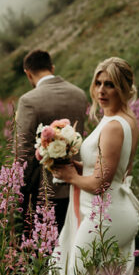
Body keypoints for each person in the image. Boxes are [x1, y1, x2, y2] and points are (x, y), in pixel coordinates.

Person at [52, 56, 139, 275]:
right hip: (111, 209)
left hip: (106, 213)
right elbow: (111, 169)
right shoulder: (123, 119)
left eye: (110, 84)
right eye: (98, 83)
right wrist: (78, 167)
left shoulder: (114, 125)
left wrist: (71, 176)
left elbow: (102, 183)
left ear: (124, 88)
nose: (101, 90)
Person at [15, 49, 88, 233]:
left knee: (45, 252)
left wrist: (19, 191)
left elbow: (22, 151)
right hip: (79, 184)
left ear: (28, 73)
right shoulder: (79, 94)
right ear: (52, 68)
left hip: (44, 192)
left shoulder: (28, 100)